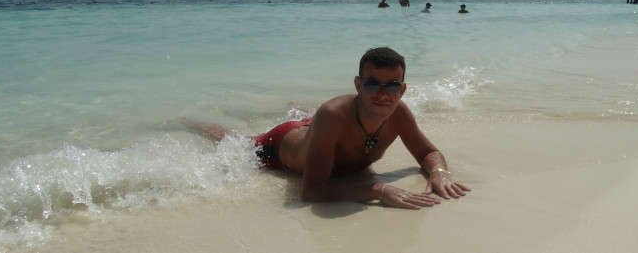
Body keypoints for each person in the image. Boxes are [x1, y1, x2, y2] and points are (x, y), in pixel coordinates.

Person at [181, 47, 470, 210]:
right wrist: (378, 190)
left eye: (392, 86)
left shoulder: (399, 113)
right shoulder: (332, 114)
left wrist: (438, 172)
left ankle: (298, 107)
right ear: (358, 85)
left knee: (314, 118)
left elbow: (428, 152)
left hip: (316, 129)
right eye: (373, 84)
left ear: (402, 90)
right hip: (280, 144)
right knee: (228, 139)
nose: (383, 94)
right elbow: (312, 190)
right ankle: (188, 122)